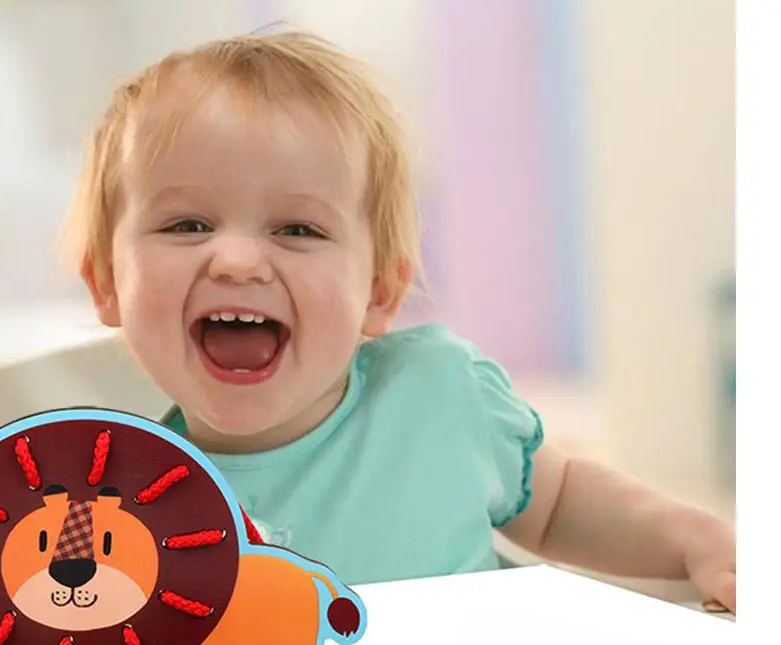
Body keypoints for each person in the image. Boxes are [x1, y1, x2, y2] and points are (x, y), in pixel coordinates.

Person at [58, 30, 735, 611]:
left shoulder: (436, 397)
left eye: (297, 228)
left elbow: (556, 504)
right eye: (187, 224)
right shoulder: (116, 504)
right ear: (106, 283)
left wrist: (692, 541)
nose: (236, 261)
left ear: (380, 291)